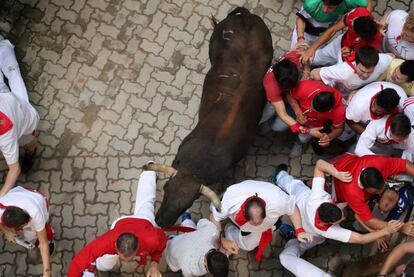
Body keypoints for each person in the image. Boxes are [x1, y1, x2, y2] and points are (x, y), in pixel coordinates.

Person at [269, 160, 402, 277]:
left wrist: (336, 173)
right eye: (340, 219)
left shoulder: (318, 196)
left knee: (292, 185)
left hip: (301, 201)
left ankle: (278, 177)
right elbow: (361, 239)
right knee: (308, 243)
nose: (344, 216)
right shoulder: (328, 231)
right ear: (329, 223)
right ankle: (292, 237)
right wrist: (386, 231)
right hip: (312, 232)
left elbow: (320, 164)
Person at [68, 164, 167, 277]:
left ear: (137, 247)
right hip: (120, 224)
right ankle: (98, 265)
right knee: (104, 265)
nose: (125, 261)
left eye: (129, 257)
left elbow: (163, 239)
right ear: (115, 245)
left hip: (143, 221)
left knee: (147, 201)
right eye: (122, 257)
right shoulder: (106, 242)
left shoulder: (152, 238)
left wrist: (155, 263)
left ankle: (149, 172)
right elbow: (77, 262)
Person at [209, 179, 313, 261]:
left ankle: (263, 240)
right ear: (244, 211)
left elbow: (293, 209)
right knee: (214, 209)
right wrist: (222, 240)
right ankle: (229, 230)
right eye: (253, 223)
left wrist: (299, 230)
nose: (256, 225)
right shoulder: (229, 201)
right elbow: (214, 218)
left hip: (268, 225)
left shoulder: (278, 200)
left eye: (259, 222)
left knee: (248, 245)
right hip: (236, 211)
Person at [331, 153, 414, 235]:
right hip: (333, 183)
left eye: (382, 187)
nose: (380, 192)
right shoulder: (353, 193)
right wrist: (401, 228)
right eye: (375, 192)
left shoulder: (378, 163)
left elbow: (405, 165)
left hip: (347, 161)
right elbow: (369, 221)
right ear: (365, 188)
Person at [0, 186, 54, 277]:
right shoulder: (0, 211)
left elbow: (43, 242)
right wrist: (6, 231)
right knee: (32, 236)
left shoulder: (35, 213)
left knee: (41, 231)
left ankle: (50, 239)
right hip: (21, 195)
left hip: (37, 199)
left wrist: (47, 271)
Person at [301, 7, 382, 66]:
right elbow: (333, 30)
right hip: (340, 43)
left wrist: (351, 52)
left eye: (352, 27)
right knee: (313, 59)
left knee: (331, 82)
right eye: (353, 21)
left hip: (348, 62)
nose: (351, 21)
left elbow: (362, 63)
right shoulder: (359, 12)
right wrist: (312, 48)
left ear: (360, 36)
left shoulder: (374, 46)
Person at [287, 80, 345, 158]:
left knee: (303, 138)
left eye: (315, 110)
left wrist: (328, 137)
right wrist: (297, 111)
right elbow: (289, 94)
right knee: (279, 125)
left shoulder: (338, 111)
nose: (310, 109)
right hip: (296, 112)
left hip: (313, 125)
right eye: (311, 104)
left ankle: (300, 142)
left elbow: (339, 128)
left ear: (329, 110)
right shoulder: (306, 87)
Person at [260, 49, 312, 133]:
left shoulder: (295, 56)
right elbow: (282, 113)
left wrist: (307, 70)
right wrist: (308, 131)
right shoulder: (272, 87)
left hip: (289, 100)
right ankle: (263, 123)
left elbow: (306, 56)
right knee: (269, 112)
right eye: (287, 88)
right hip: (276, 102)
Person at [310, 46, 393, 98]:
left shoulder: (383, 61)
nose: (365, 75)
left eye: (369, 72)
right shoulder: (343, 71)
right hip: (337, 89)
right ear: (356, 62)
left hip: (352, 92)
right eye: (362, 70)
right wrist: (332, 93)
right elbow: (314, 73)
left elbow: (391, 56)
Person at [165, 213, 229, 277]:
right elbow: (187, 275)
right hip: (172, 251)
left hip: (177, 241)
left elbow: (201, 222)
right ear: (207, 266)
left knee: (189, 226)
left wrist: (221, 240)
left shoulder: (212, 231)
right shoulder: (191, 268)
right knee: (173, 267)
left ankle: (185, 215)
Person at [291, 0, 372, 49]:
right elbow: (300, 19)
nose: (325, 10)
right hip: (304, 32)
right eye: (324, 4)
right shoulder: (311, 4)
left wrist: (364, 21)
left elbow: (368, 3)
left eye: (330, 7)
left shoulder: (350, 1)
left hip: (324, 33)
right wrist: (301, 38)